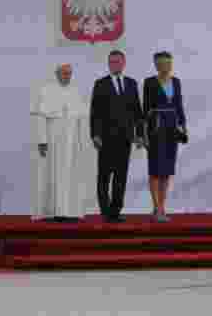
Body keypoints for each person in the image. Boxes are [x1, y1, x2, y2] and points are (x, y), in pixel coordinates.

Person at [31, 64, 94, 221]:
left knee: (71, 175)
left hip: (72, 141)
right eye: (64, 73)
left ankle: (70, 210)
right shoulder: (46, 90)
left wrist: (82, 141)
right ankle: (54, 210)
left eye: (69, 74)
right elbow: (40, 117)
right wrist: (42, 140)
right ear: (57, 74)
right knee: (53, 174)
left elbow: (82, 118)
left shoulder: (76, 91)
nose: (67, 76)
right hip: (53, 140)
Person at [90, 50, 144, 223]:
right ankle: (105, 211)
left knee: (121, 176)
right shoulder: (100, 84)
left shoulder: (131, 84)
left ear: (124, 63)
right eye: (112, 62)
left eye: (118, 62)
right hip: (105, 138)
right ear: (108, 64)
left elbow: (138, 112)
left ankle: (115, 211)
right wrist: (95, 135)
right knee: (104, 176)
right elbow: (95, 112)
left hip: (125, 138)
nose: (115, 64)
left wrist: (140, 135)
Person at [143, 51, 187, 222]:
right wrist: (144, 133)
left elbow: (179, 105)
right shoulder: (149, 82)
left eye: (168, 63)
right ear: (155, 65)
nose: (165, 67)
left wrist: (183, 125)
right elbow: (145, 108)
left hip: (172, 129)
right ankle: (157, 208)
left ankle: (161, 206)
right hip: (156, 128)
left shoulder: (176, 82)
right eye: (161, 64)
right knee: (155, 169)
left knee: (167, 170)